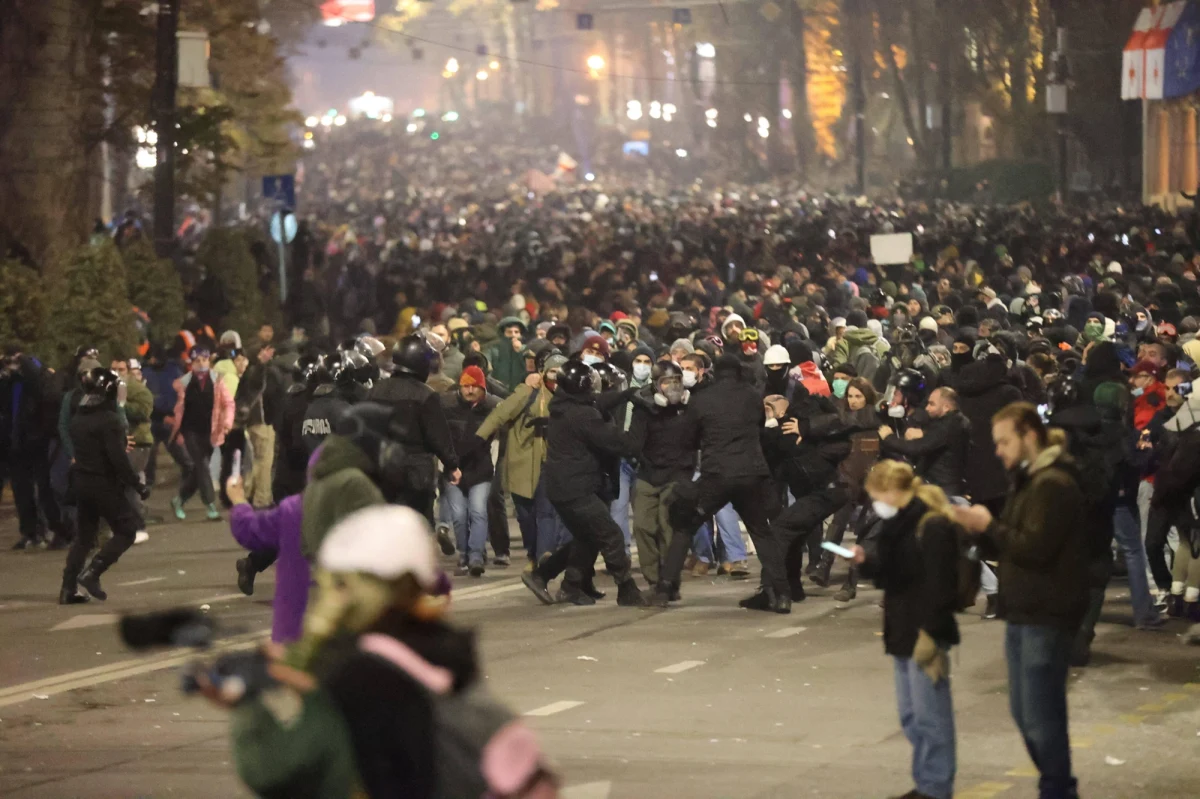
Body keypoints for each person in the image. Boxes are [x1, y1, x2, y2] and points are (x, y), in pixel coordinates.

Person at [954, 403, 1087, 799]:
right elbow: (1013, 538)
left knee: (1039, 717)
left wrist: (987, 525)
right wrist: (980, 529)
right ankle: (1059, 787)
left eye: (1004, 441)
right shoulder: (1029, 479)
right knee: (1027, 712)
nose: (999, 451)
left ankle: (1058, 790)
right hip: (1024, 610)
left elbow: (1034, 547)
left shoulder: (1053, 484)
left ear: (1029, 435)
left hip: (1047, 612)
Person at [847, 460, 963, 799]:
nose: (875, 505)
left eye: (876, 496)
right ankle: (926, 783)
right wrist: (864, 561)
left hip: (924, 630)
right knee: (912, 716)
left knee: (932, 717)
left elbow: (941, 585)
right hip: (900, 627)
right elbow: (892, 572)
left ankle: (937, 787)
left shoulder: (932, 524)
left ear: (893, 492)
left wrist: (932, 632)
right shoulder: (898, 524)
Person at [661, 354, 790, 612]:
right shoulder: (753, 396)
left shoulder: (703, 399)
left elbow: (689, 437)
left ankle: (666, 586)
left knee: (687, 524)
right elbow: (759, 426)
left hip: (717, 474)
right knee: (761, 532)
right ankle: (781, 594)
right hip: (751, 473)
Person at [526, 359, 649, 606]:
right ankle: (626, 589)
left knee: (587, 537)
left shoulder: (564, 404)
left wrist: (626, 394)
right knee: (611, 535)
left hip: (564, 486)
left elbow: (599, 401)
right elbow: (625, 444)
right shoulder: (583, 416)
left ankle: (557, 580)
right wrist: (641, 412)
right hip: (576, 488)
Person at [59, 368, 149, 604]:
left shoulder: (79, 418)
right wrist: (137, 485)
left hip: (82, 482)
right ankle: (93, 573)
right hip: (103, 484)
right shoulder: (110, 420)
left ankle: (68, 588)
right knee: (127, 530)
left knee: (84, 537)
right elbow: (116, 459)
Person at [476, 352, 568, 568]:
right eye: (552, 371)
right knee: (526, 515)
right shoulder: (529, 392)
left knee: (546, 512)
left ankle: (543, 558)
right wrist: (478, 441)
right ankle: (533, 551)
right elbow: (500, 415)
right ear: (544, 372)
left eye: (560, 372)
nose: (556, 376)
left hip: (551, 463)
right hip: (523, 461)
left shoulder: (568, 397)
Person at [367, 334, 460, 524]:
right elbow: (438, 436)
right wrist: (452, 465)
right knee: (419, 527)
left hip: (381, 468)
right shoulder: (426, 395)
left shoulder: (375, 390)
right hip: (416, 473)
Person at [628, 362, 696, 589]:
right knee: (642, 527)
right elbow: (634, 443)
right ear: (657, 386)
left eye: (677, 380)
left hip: (677, 475)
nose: (672, 387)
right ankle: (654, 580)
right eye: (667, 382)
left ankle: (669, 580)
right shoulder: (644, 409)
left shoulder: (690, 408)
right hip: (648, 474)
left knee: (668, 528)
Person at [440, 365, 500, 576]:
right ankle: (464, 555)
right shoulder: (446, 406)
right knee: (458, 515)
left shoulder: (493, 408)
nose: (470, 390)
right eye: (466, 386)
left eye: (475, 386)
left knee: (478, 511)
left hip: (480, 470)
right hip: (453, 470)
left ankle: (475, 556)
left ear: (483, 388)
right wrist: (448, 465)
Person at [167, 346, 234, 522]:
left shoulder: (218, 380)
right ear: (192, 362)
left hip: (210, 431)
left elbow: (229, 403)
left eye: (204, 360)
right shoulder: (183, 382)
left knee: (198, 470)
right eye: (198, 361)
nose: (202, 363)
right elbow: (177, 406)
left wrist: (227, 423)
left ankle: (179, 500)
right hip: (190, 430)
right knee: (202, 465)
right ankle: (210, 505)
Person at [878, 387, 970, 498]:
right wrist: (924, 434)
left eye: (932, 404)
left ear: (946, 407)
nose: (927, 408)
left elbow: (916, 448)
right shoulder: (956, 421)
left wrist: (888, 437)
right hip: (944, 486)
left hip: (941, 490)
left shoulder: (948, 425)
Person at [113, 356, 154, 545]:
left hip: (138, 442)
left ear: (128, 371)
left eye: (121, 369)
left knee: (129, 484)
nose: (116, 372)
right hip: (119, 443)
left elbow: (144, 410)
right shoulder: (108, 388)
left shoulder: (137, 389)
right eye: (113, 368)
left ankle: (139, 526)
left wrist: (119, 405)